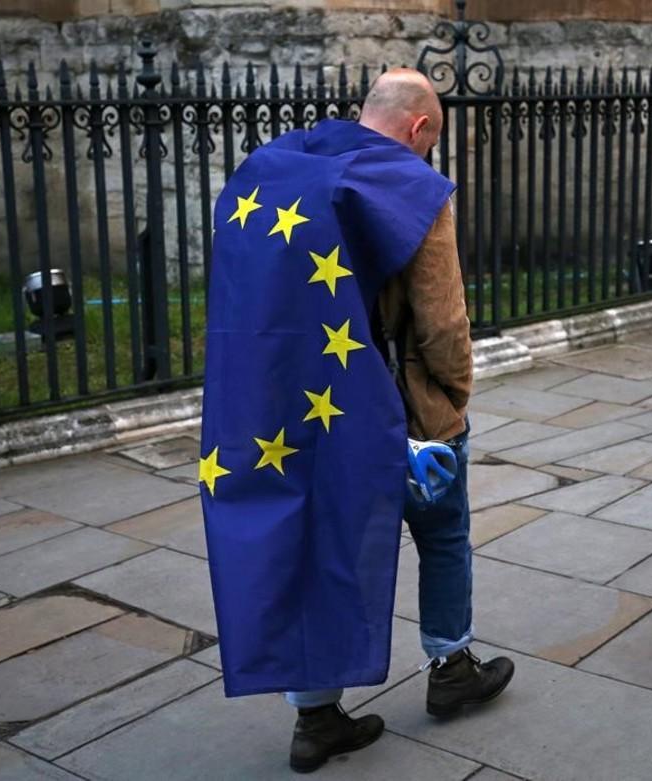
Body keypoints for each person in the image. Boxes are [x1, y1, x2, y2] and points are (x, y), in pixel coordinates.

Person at [198, 68, 512, 777]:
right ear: (420, 129)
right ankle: (451, 666)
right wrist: (455, 395)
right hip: (405, 409)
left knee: (324, 544)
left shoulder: (281, 177)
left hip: (309, 416)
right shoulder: (413, 191)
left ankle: (316, 717)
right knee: (443, 532)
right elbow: (441, 321)